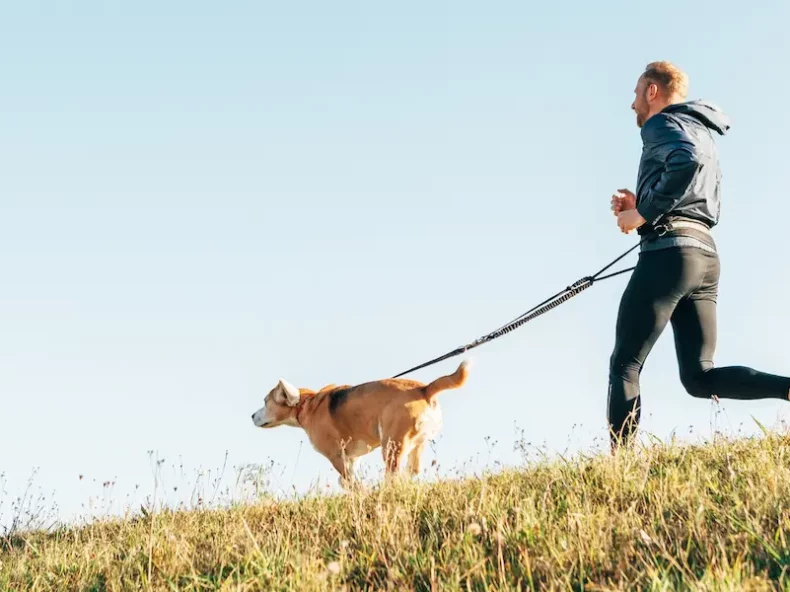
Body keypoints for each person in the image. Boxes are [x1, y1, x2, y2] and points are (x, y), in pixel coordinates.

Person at [607, 61, 790, 450]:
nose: (632, 103)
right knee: (699, 377)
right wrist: (642, 206)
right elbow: (692, 188)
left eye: (637, 92)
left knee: (625, 364)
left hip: (669, 256)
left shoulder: (661, 124)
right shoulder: (700, 130)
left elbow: (685, 162)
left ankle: (618, 465)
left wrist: (643, 211)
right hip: (704, 256)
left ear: (652, 91)